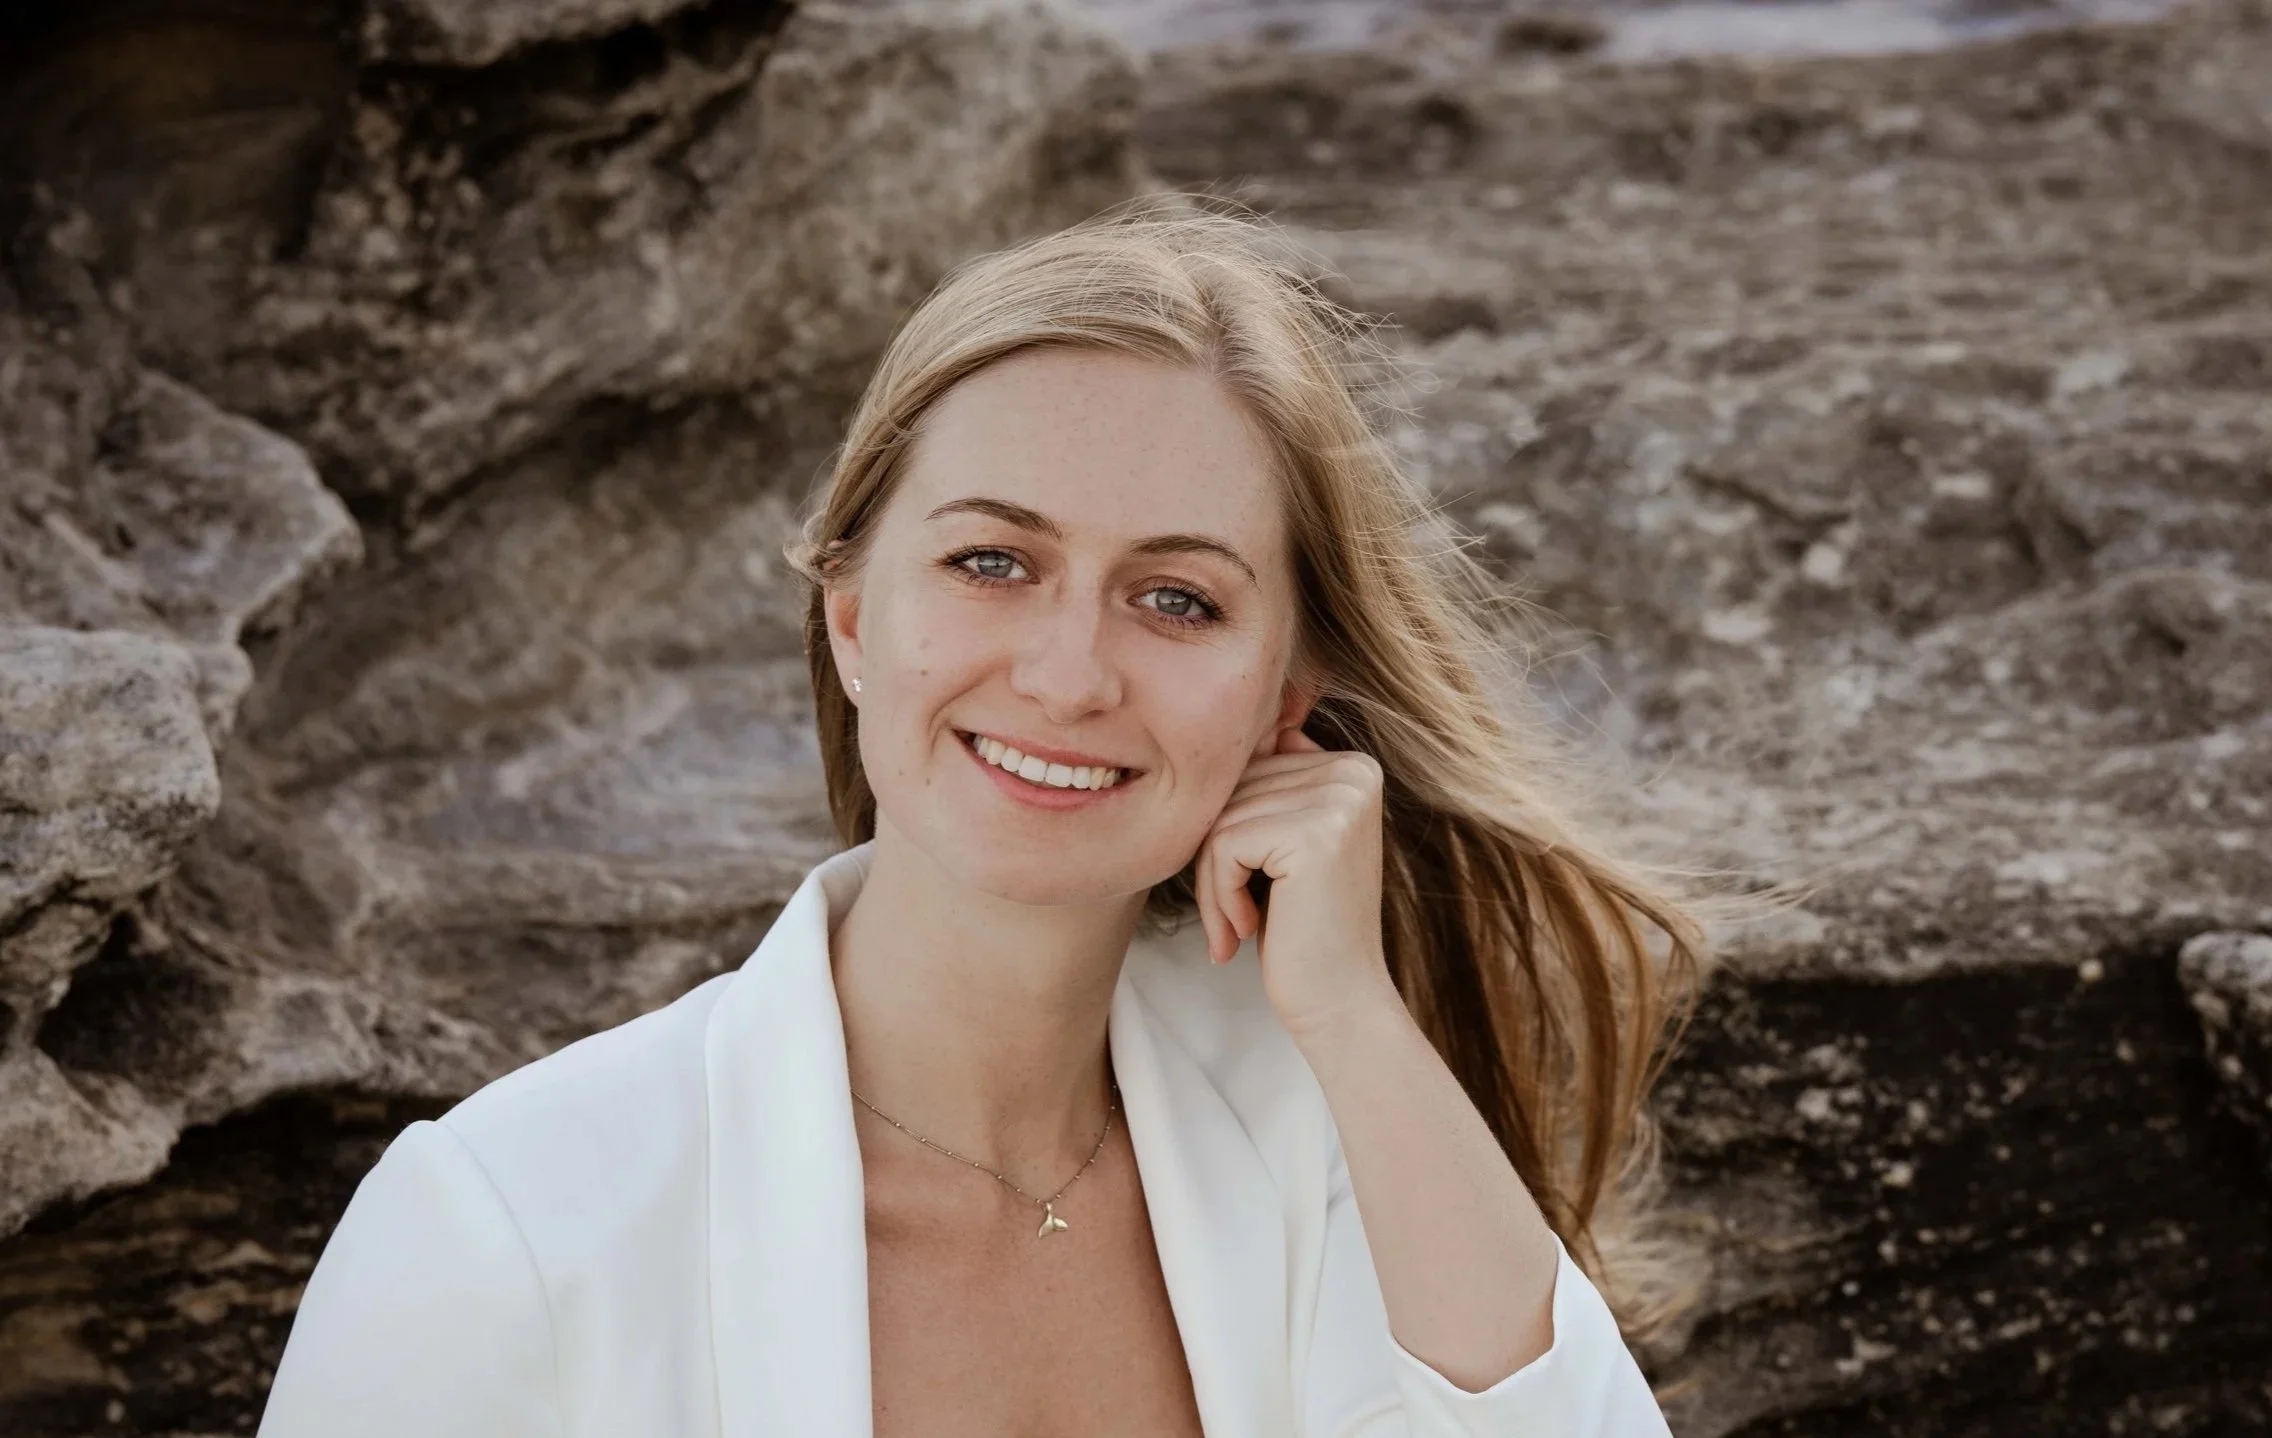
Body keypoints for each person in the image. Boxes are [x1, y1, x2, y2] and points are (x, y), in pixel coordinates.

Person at [256, 194, 1703, 1437]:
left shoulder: (1319, 1136)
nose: (1069, 672)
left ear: (1282, 702)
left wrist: (1352, 1015)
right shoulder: (503, 1229)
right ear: (852, 618)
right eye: (994, 560)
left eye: (1177, 598)